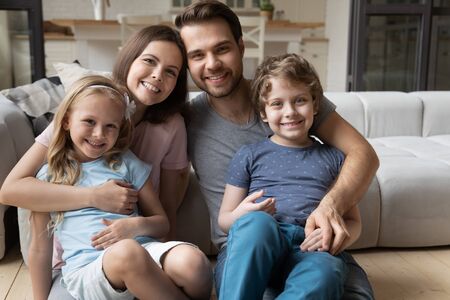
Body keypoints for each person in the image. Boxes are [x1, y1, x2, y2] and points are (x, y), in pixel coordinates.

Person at [174, 0, 378, 298]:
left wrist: (330, 207)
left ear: (241, 47)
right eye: (197, 55)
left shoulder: (284, 92)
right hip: (247, 252)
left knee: (338, 286)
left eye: (222, 49)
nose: (212, 64)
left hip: (313, 247)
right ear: (187, 64)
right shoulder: (185, 119)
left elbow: (364, 155)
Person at [0, 26, 212, 299]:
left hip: (143, 249)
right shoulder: (80, 114)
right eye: (149, 60)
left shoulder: (144, 148)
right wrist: (94, 197)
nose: (158, 74)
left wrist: (139, 238)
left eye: (171, 71)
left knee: (192, 264)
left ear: (121, 129)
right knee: (128, 254)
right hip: (84, 262)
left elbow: (164, 217)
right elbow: (12, 192)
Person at [217, 53, 362, 299]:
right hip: (260, 245)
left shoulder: (335, 157)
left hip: (311, 247)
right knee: (256, 224)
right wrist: (242, 216)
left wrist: (337, 240)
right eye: (277, 104)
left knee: (326, 270)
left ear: (315, 105)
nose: (290, 112)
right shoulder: (249, 155)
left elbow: (354, 222)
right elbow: (224, 219)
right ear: (263, 113)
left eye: (300, 100)